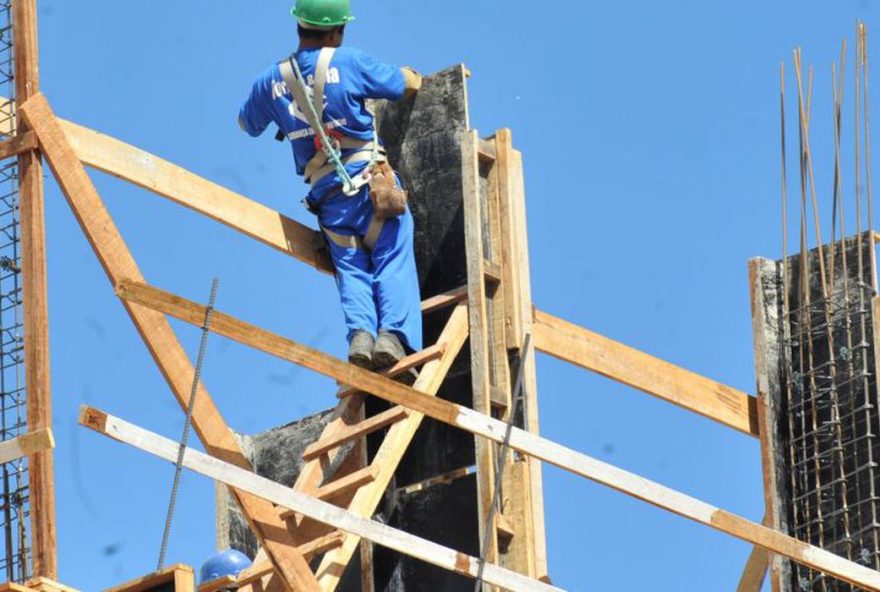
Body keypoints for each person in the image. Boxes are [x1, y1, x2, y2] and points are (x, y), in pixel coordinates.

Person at [238, 0, 424, 379]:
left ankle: (360, 337)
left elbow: (246, 124)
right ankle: (391, 338)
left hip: (329, 199)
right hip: (371, 183)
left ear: (299, 27)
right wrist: (411, 75)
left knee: (351, 266)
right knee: (391, 254)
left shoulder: (270, 80)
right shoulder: (351, 62)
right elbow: (401, 83)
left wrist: (284, 112)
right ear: (338, 31)